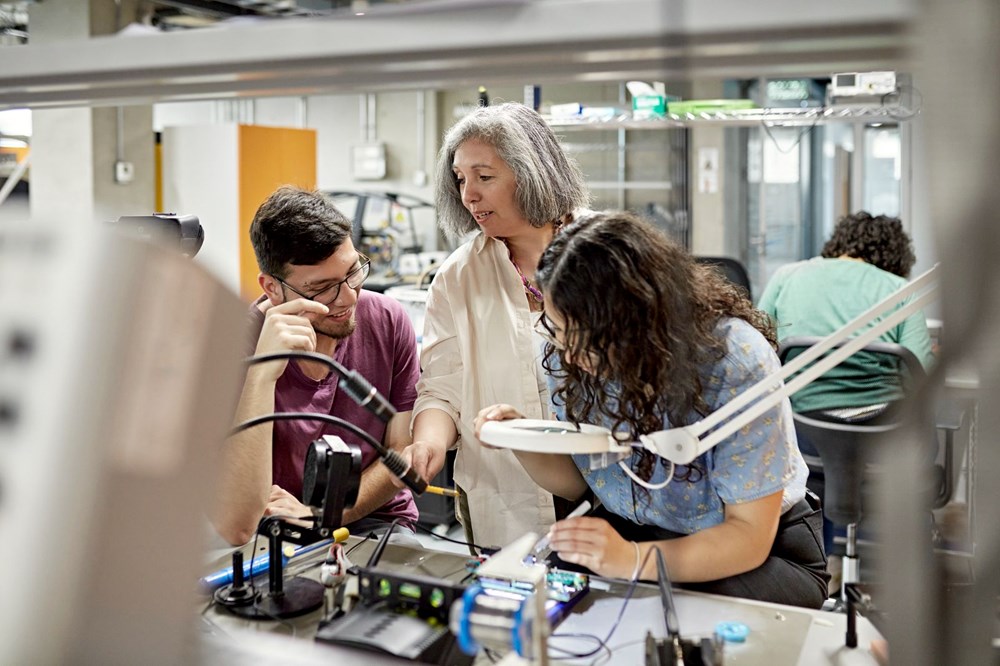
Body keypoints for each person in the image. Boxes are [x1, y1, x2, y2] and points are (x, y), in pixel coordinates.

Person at [476, 211, 830, 609]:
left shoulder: (733, 362)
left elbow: (748, 536)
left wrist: (631, 560)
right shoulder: (565, 355)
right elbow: (582, 483)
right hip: (633, 534)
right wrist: (522, 438)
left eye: (585, 338)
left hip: (758, 550)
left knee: (667, 618)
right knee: (554, 605)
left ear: (636, 320)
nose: (570, 355)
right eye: (558, 330)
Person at [402, 102, 591, 549]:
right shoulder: (458, 276)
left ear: (533, 173)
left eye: (484, 177)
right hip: (506, 499)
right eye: (461, 180)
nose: (468, 195)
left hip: (607, 494)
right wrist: (427, 446)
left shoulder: (606, 252)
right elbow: (443, 387)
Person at [213, 186, 421, 547]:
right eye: (322, 288)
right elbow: (236, 525)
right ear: (272, 289)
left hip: (374, 520)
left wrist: (320, 516)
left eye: (354, 272)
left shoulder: (388, 319)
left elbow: (401, 452)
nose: (348, 297)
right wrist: (262, 375)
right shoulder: (234, 346)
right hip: (275, 531)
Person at [757, 211, 934, 414]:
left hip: (803, 423)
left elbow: (757, 348)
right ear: (896, 257)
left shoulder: (786, 276)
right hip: (883, 427)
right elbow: (922, 372)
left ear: (838, 242)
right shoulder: (900, 290)